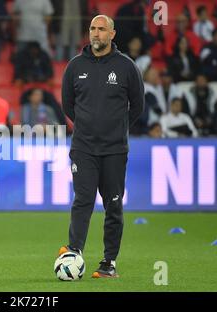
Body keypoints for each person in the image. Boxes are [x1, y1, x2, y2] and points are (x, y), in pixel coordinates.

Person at [60, 15, 144, 278]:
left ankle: (109, 263)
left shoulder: (127, 67)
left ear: (112, 34)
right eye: (92, 29)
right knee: (82, 200)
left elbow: (138, 106)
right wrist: (89, 127)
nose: (96, 33)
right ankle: (74, 251)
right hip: (83, 148)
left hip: (114, 150)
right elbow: (68, 105)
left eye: (101, 29)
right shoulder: (74, 67)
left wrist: (115, 129)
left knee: (113, 205)